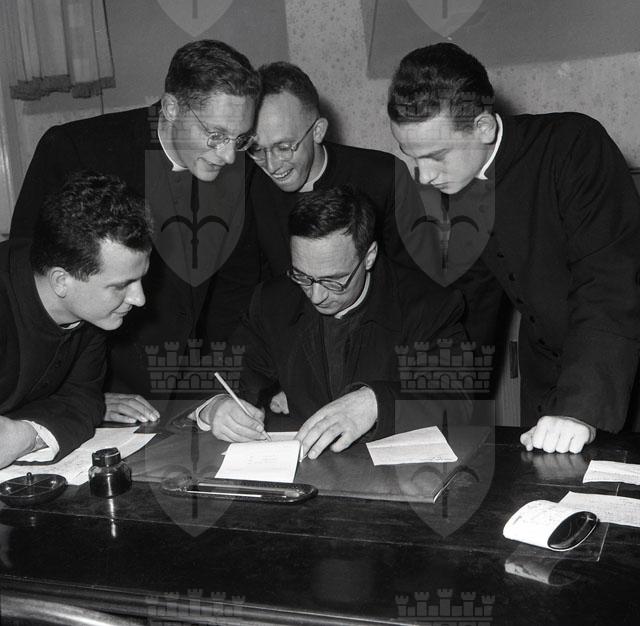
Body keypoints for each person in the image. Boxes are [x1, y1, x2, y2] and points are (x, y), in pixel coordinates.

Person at [387, 42, 640, 454]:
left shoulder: (574, 144)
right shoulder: (455, 182)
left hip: (615, 365)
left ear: (484, 127)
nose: (424, 176)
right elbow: (469, 306)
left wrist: (579, 409)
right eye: (412, 158)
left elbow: (609, 282)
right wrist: (413, 402)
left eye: (436, 156)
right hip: (545, 378)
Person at [10, 40, 262, 424]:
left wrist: (213, 390)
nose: (229, 156)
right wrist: (84, 393)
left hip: (185, 390)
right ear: (172, 107)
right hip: (96, 390)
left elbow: (236, 288)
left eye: (240, 139)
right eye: (215, 135)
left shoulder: (237, 170)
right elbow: (30, 282)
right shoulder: (76, 148)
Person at [195, 186, 465, 459]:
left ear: (369, 256)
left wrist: (374, 403)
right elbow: (224, 371)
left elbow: (459, 401)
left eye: (333, 281)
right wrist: (216, 406)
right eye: (302, 276)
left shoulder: (428, 306)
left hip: (392, 476)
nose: (316, 295)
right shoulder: (274, 301)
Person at [0, 172, 152, 469]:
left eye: (140, 280)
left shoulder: (89, 308)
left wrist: (26, 436)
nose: (139, 298)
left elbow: (83, 400)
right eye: (121, 285)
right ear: (61, 281)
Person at [246, 62, 430, 279]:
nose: (271, 165)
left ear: (318, 131)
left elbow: (416, 276)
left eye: (284, 147)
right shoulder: (248, 187)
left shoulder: (384, 176)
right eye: (256, 149)